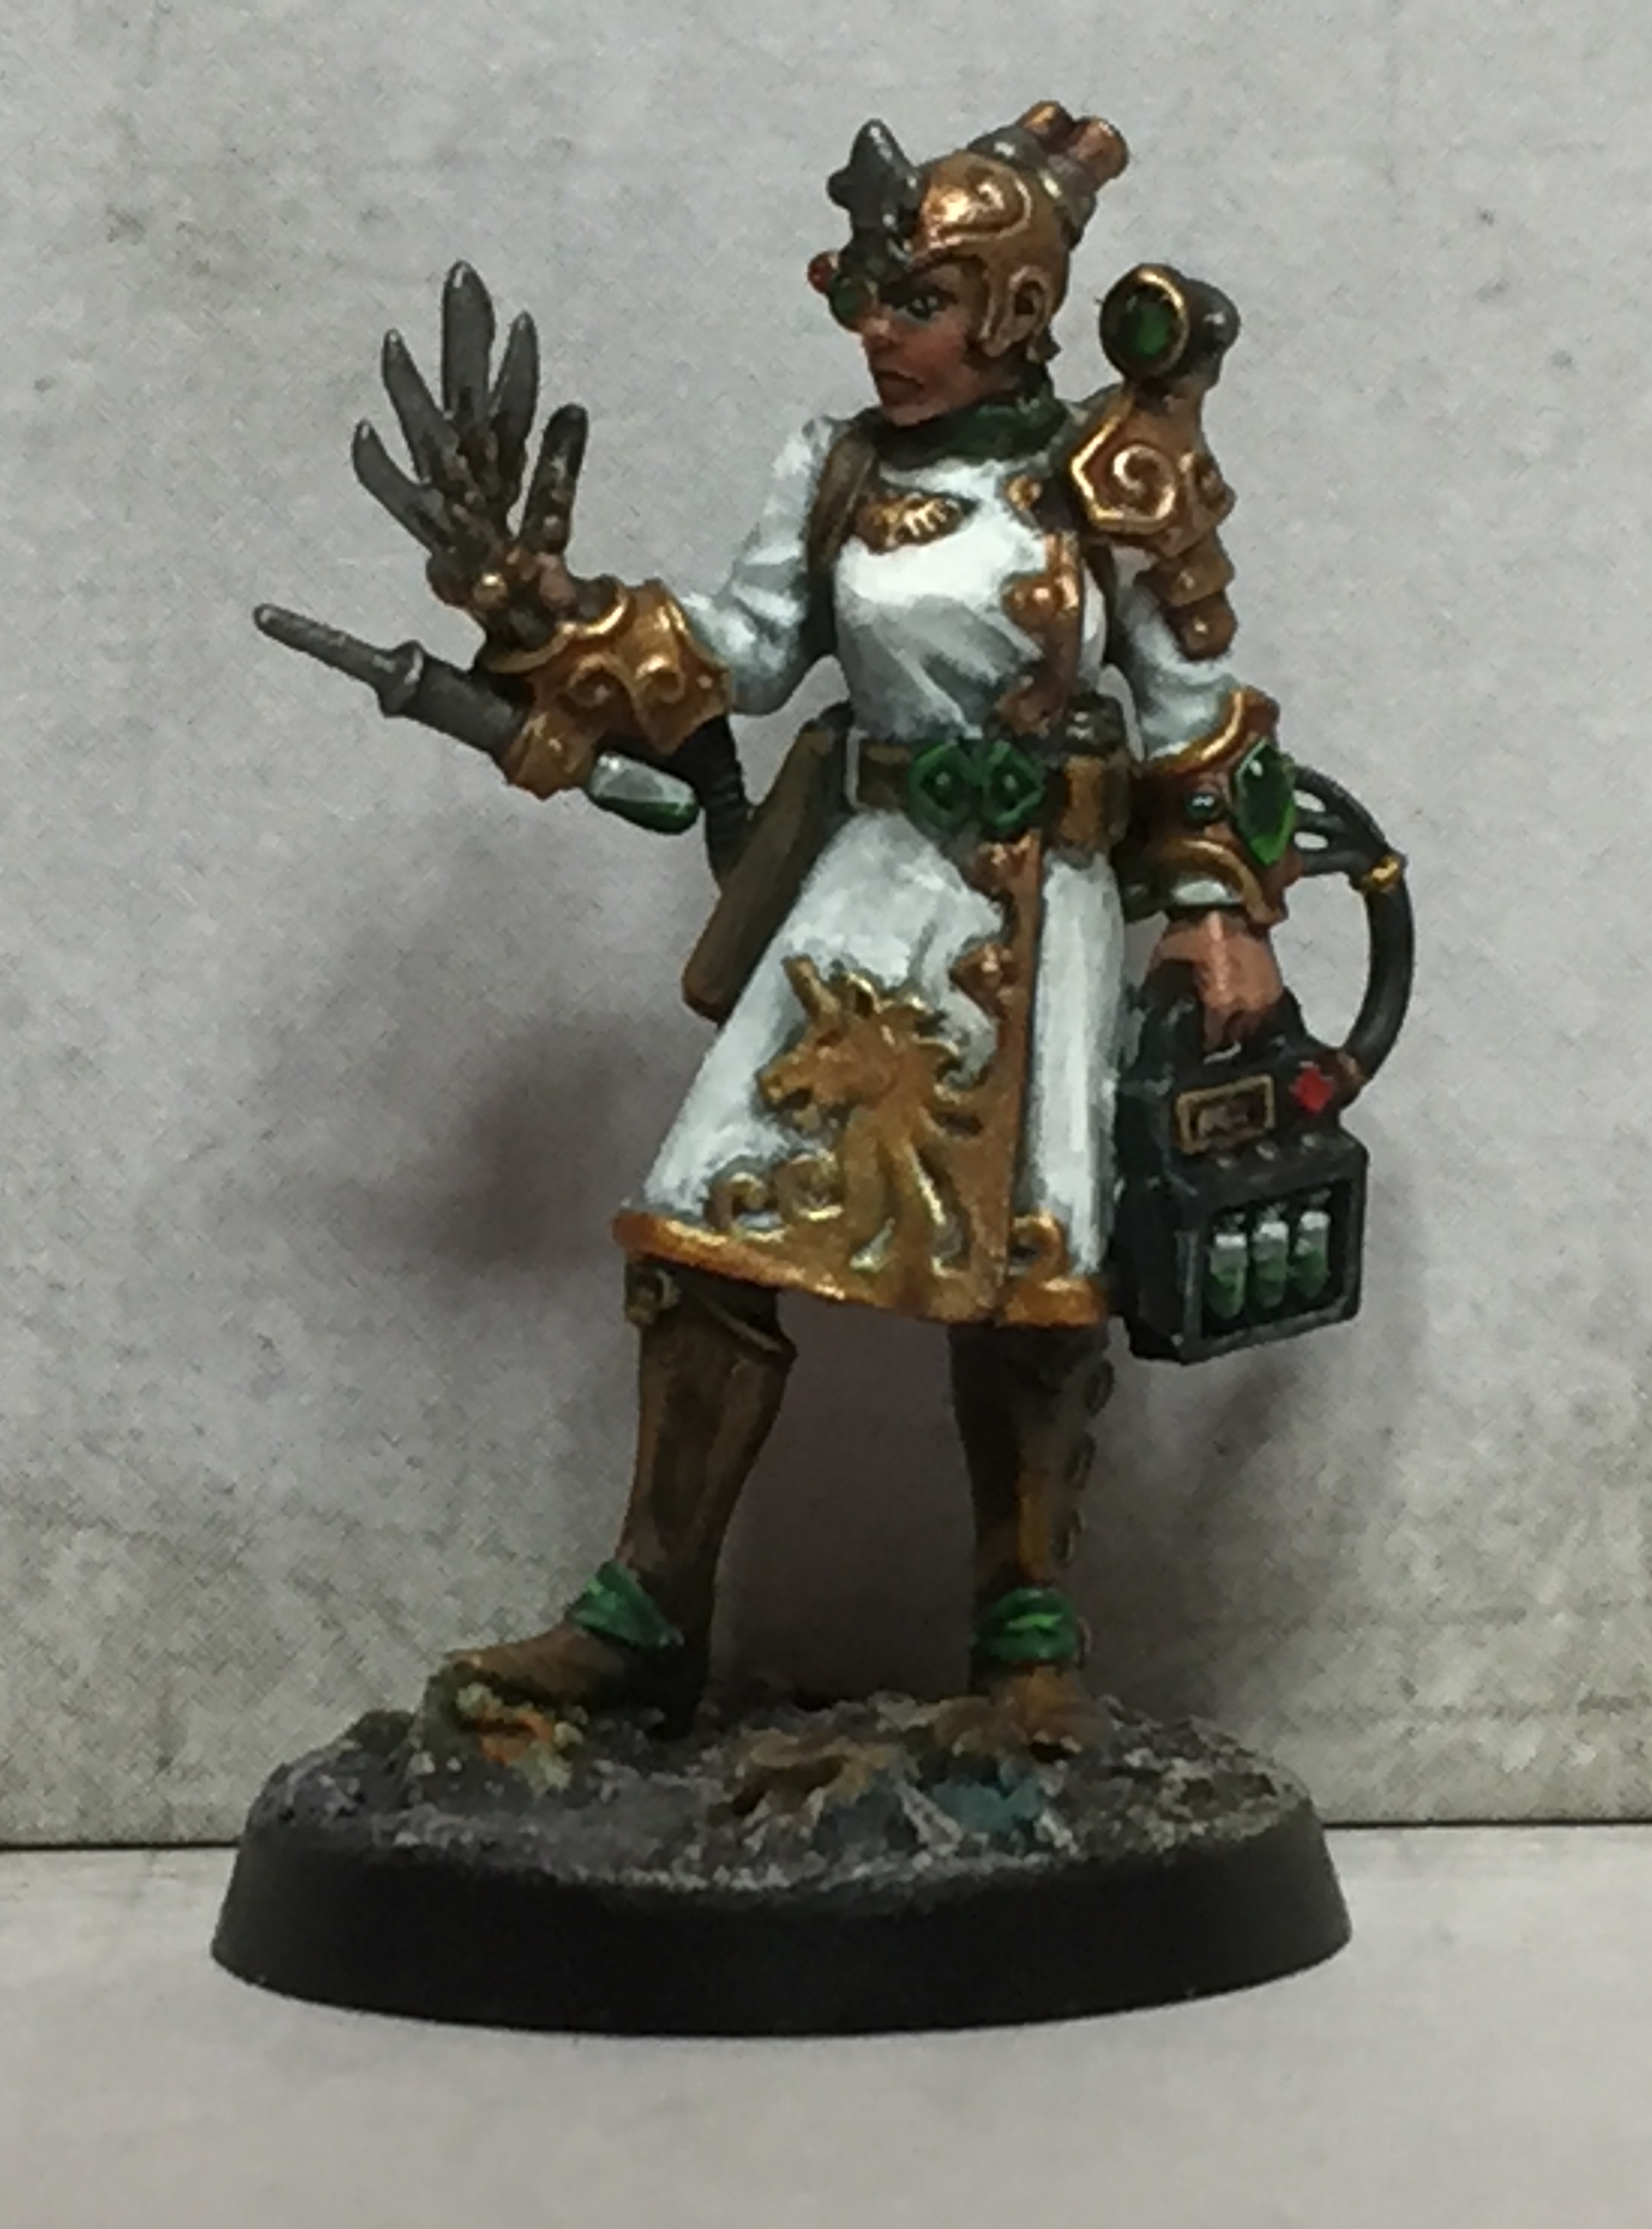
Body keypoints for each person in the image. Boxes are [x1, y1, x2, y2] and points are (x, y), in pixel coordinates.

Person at [343, 102, 1300, 1750]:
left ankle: (1027, 1639)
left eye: (918, 301)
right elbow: (736, 648)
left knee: (1038, 1281)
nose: (880, 333)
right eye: (867, 297)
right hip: (871, 887)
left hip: (1043, 915)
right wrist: (556, 614)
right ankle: (648, 1612)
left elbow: (1198, 708)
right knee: (700, 1230)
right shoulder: (839, 466)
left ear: (1012, 307)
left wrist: (1220, 907)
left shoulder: (1112, 477)